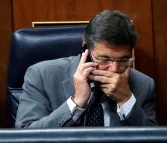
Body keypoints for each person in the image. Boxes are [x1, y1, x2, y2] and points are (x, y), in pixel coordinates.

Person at [15, 10, 157, 128]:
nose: (114, 69)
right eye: (104, 59)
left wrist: (126, 101)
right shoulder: (42, 76)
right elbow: (25, 134)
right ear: (85, 48)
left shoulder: (144, 85)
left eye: (123, 60)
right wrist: (77, 102)